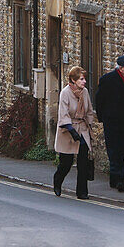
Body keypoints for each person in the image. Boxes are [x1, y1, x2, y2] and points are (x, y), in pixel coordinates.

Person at [95, 55, 124, 192]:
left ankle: (116, 178)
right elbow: (99, 100)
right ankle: (118, 179)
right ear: (121, 68)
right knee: (114, 150)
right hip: (112, 121)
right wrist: (102, 118)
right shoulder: (107, 80)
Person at [53, 65, 95, 199]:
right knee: (66, 163)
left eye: (84, 79)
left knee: (83, 162)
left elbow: (89, 111)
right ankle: (58, 181)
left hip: (82, 128)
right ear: (73, 80)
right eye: (81, 79)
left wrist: (90, 127)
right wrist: (71, 130)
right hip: (68, 130)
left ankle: (82, 192)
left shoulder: (85, 92)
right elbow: (63, 114)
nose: (84, 82)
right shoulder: (65, 93)